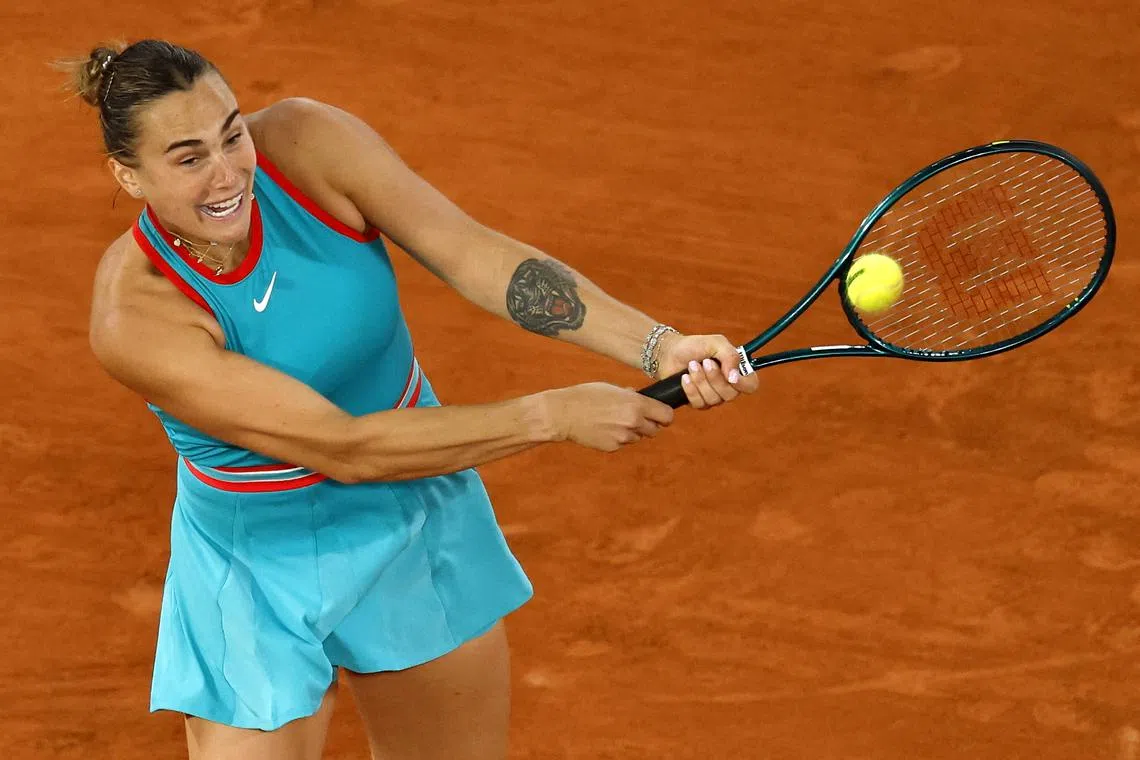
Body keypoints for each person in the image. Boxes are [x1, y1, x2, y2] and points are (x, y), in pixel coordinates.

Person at [67, 38, 759, 760]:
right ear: (129, 175)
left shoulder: (307, 146)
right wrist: (550, 415)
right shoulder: (136, 318)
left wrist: (658, 346)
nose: (229, 172)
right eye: (188, 157)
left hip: (412, 516)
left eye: (232, 134)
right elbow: (346, 446)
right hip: (256, 567)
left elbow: (469, 251)